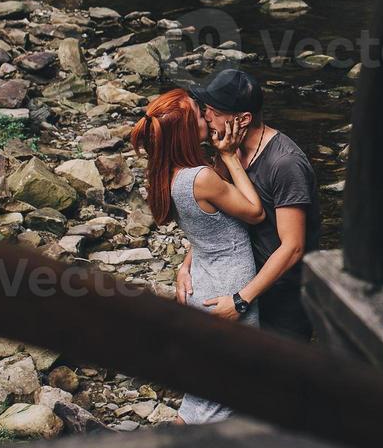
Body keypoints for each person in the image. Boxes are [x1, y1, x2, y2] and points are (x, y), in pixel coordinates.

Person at [129, 89, 264, 425]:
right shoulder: (201, 178)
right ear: (186, 132)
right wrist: (230, 156)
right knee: (216, 395)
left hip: (202, 280)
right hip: (228, 287)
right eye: (197, 113)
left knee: (212, 388)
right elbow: (255, 212)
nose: (206, 115)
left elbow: (205, 228)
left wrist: (183, 265)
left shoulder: (166, 174)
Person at [182, 68, 320, 340]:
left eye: (215, 113)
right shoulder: (227, 149)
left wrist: (240, 301)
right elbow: (216, 218)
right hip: (246, 282)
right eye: (206, 109)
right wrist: (186, 266)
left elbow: (293, 247)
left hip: (284, 297)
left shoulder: (285, 164)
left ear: (243, 119)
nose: (206, 118)